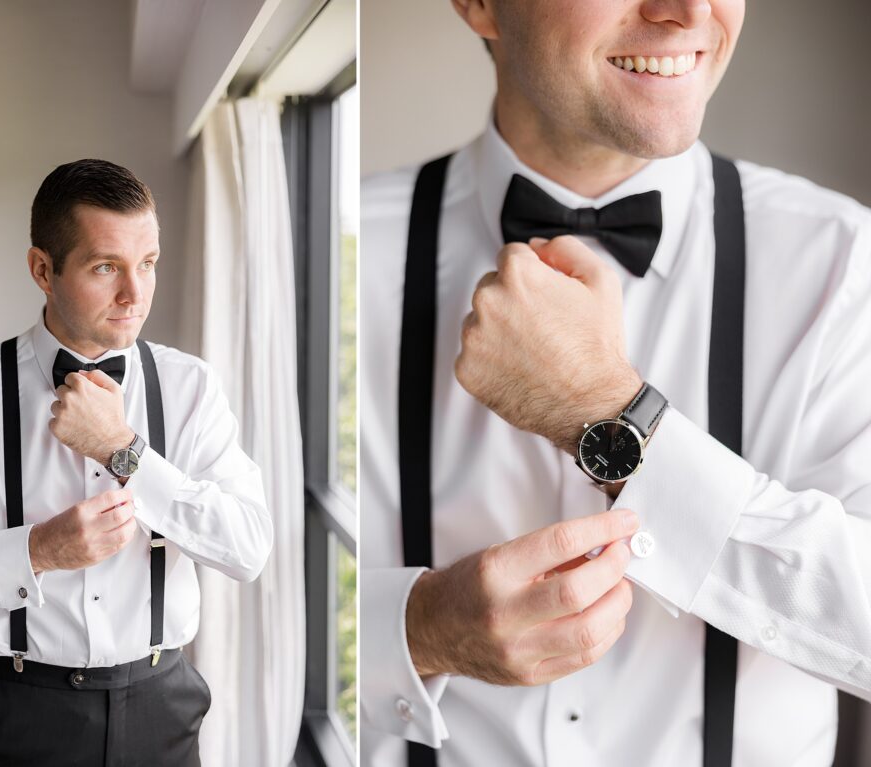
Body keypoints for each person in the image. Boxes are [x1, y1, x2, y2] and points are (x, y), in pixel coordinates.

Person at [360, 1, 871, 765]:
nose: (688, 12)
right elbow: (247, 605)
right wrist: (417, 627)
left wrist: (608, 416)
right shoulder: (338, 251)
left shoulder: (843, 264)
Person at [0, 159, 273, 765]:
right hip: (14, 712)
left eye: (148, 264)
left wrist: (124, 452)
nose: (135, 295)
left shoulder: (192, 387)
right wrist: (36, 552)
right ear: (43, 269)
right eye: (106, 267)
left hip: (160, 709)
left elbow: (248, 549)